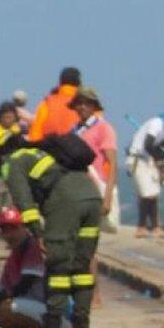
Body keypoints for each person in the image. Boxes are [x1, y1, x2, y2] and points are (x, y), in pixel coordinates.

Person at [0, 132, 102, 328]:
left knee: (58, 267)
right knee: (81, 269)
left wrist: (37, 233)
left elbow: (24, 202)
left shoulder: (12, 161)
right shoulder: (42, 153)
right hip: (91, 196)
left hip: (66, 201)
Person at [127, 106, 164, 238]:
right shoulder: (157, 124)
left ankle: (155, 226)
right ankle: (142, 227)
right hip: (138, 158)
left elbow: (159, 151)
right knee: (147, 193)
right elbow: (148, 146)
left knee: (154, 192)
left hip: (149, 160)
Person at [70, 86, 119, 231]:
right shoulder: (73, 131)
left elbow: (113, 163)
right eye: (79, 103)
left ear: (93, 107)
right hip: (76, 190)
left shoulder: (104, 128)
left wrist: (108, 197)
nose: (83, 107)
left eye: (87, 103)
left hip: (95, 189)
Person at [28, 67, 82, 141]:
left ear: (60, 83)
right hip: (77, 149)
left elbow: (35, 133)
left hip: (50, 149)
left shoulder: (47, 103)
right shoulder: (87, 105)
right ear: (79, 84)